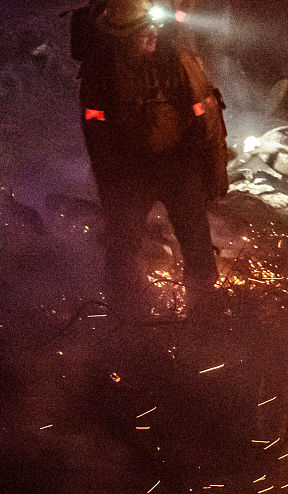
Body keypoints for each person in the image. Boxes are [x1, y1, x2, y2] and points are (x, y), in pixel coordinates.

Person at [74, 0, 228, 316]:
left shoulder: (177, 58)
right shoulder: (100, 69)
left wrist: (214, 170)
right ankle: (126, 317)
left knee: (196, 239)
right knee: (122, 246)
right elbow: (95, 126)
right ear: (120, 36)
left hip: (177, 163)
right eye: (142, 31)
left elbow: (206, 112)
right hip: (128, 169)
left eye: (152, 26)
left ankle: (205, 310)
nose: (152, 33)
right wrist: (108, 181)